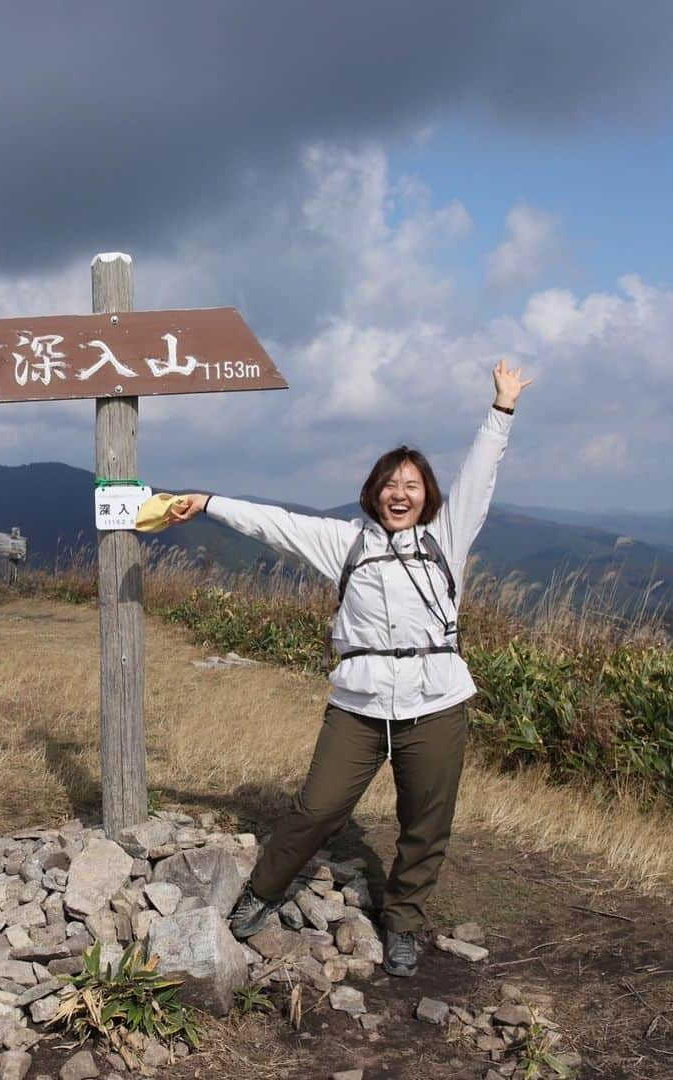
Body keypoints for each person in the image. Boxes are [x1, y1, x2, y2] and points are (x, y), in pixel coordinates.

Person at [168, 359, 531, 977]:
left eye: (412, 485)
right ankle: (262, 893)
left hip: (437, 701)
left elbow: (481, 472)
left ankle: (404, 924)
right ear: (373, 492)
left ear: (428, 496)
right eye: (390, 484)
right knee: (318, 807)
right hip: (359, 703)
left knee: (425, 819)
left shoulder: (449, 534)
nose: (400, 493)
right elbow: (275, 524)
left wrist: (501, 409)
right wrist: (207, 502)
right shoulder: (347, 542)